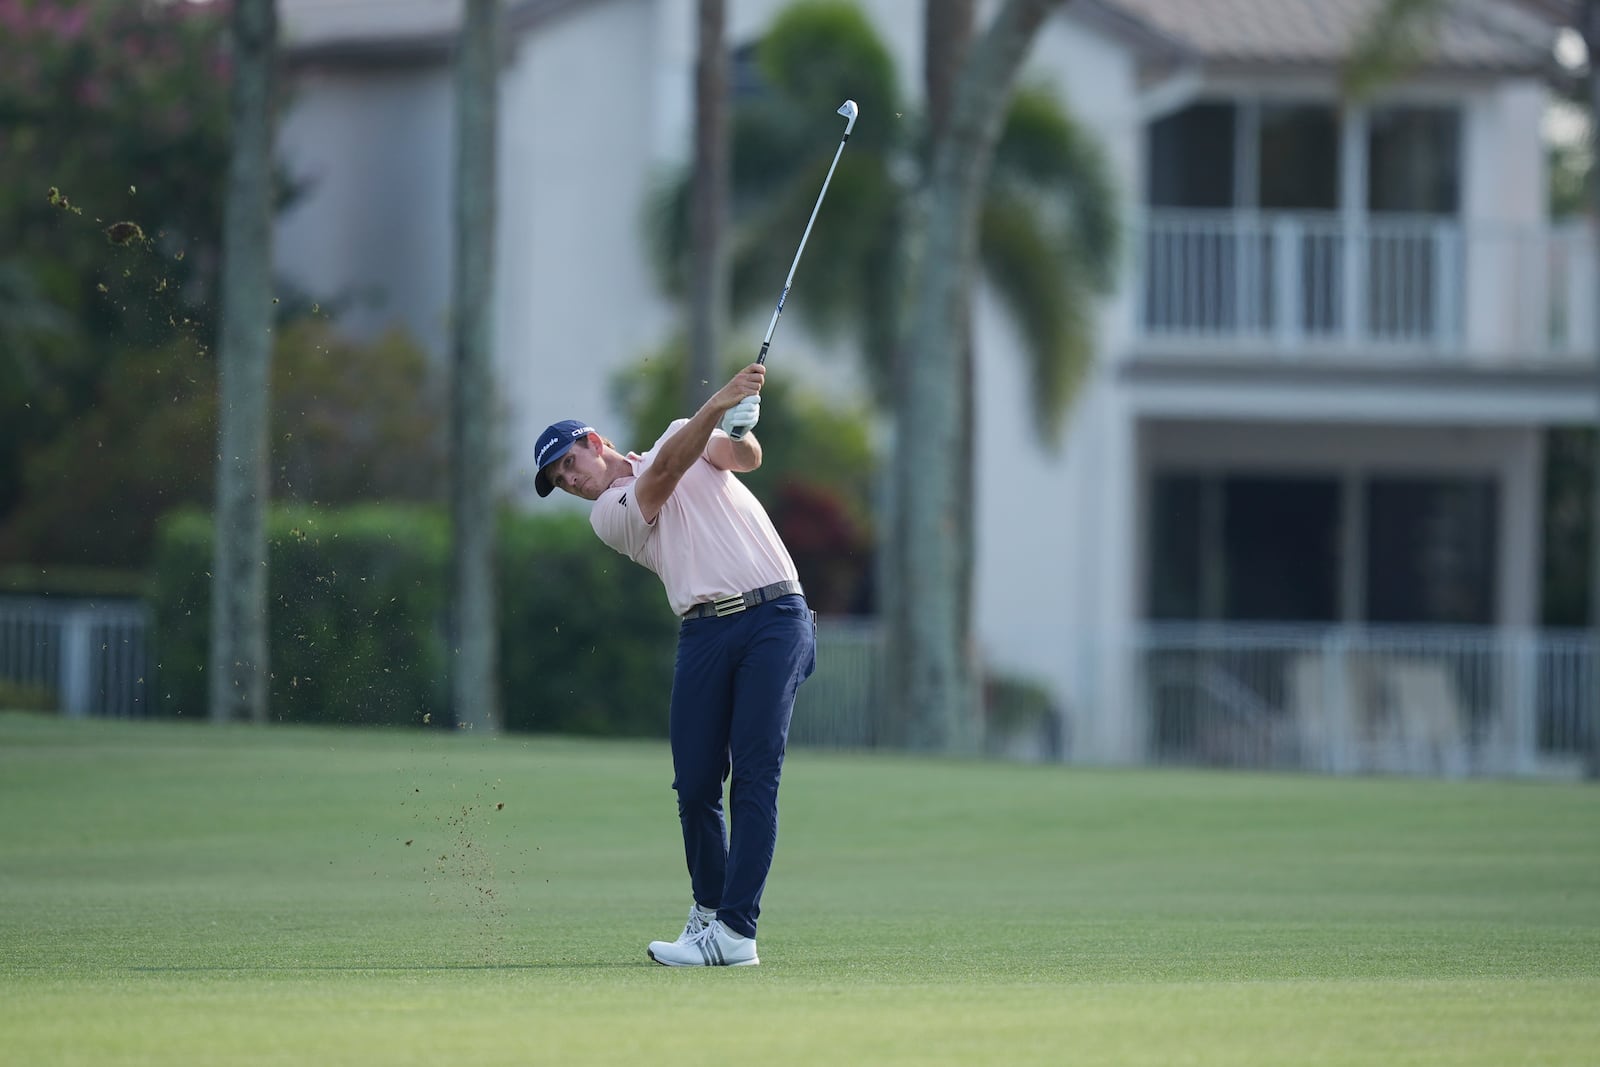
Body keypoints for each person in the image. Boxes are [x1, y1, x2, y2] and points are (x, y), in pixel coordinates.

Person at [533, 362, 816, 967]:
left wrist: (739, 424)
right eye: (559, 479)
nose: (569, 481)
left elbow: (744, 460)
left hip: (775, 615)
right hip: (705, 632)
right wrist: (720, 403)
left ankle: (736, 932)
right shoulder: (609, 512)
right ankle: (708, 915)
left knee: (756, 775)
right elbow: (663, 474)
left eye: (568, 464)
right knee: (694, 786)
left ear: (594, 442)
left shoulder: (679, 430)